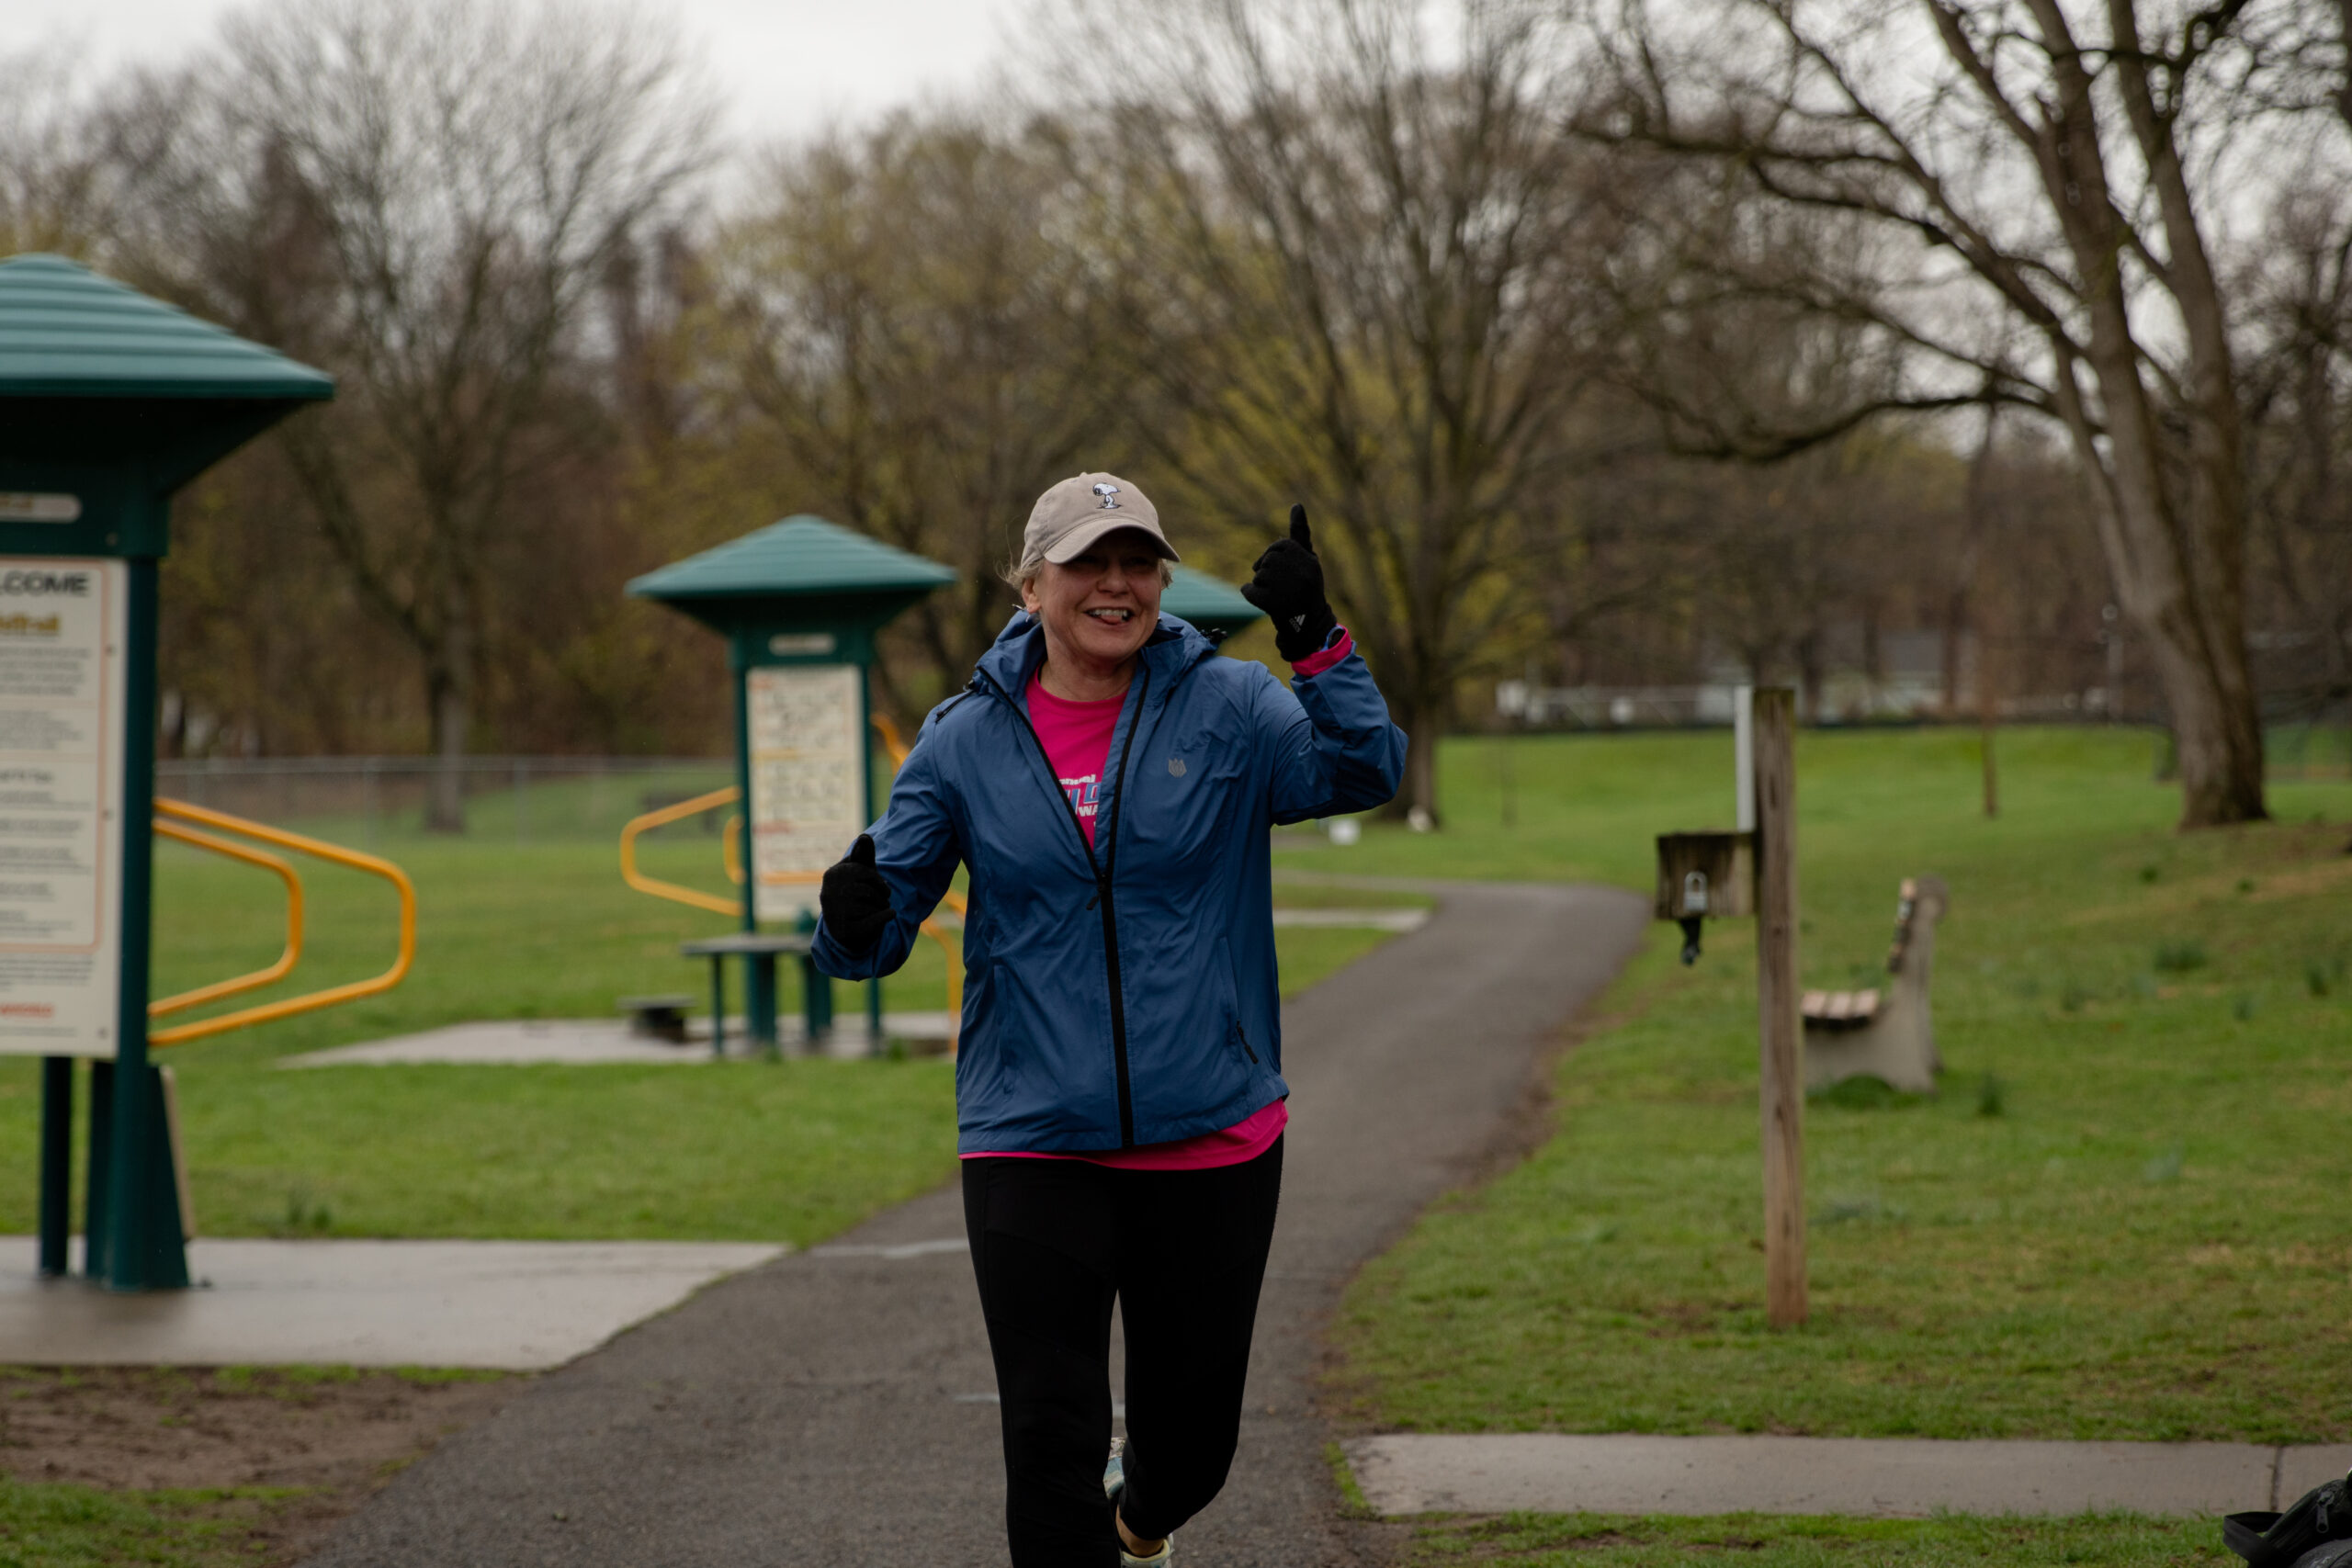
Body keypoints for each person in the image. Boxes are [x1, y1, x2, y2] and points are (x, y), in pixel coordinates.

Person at [812, 472, 1406, 1566]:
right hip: (1031, 1133)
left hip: (1211, 1128)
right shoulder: (962, 738)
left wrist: (1315, 640)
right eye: (1088, 562)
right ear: (1031, 585)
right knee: (1049, 1442)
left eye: (1138, 562)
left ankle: (1141, 1521)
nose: (1116, 584)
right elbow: (876, 927)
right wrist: (850, 920)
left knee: (1193, 1455)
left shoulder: (1231, 706)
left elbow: (1363, 771)